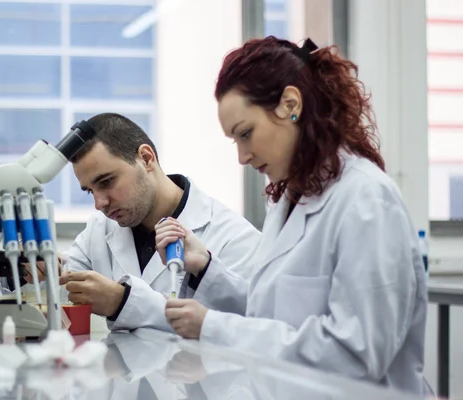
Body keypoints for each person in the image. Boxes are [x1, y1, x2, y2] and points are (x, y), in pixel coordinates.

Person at [154, 37, 430, 395]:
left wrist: (214, 327)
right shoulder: (289, 198)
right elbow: (273, 314)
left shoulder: (365, 199)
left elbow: (354, 354)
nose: (242, 156)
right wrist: (205, 267)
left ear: (290, 104)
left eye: (246, 134)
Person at [34, 113, 260, 332]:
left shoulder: (235, 237)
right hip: (123, 369)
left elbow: (243, 330)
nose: (99, 203)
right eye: (89, 191)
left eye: (106, 181)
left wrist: (122, 303)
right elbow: (63, 281)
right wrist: (41, 268)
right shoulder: (100, 229)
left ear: (146, 158)